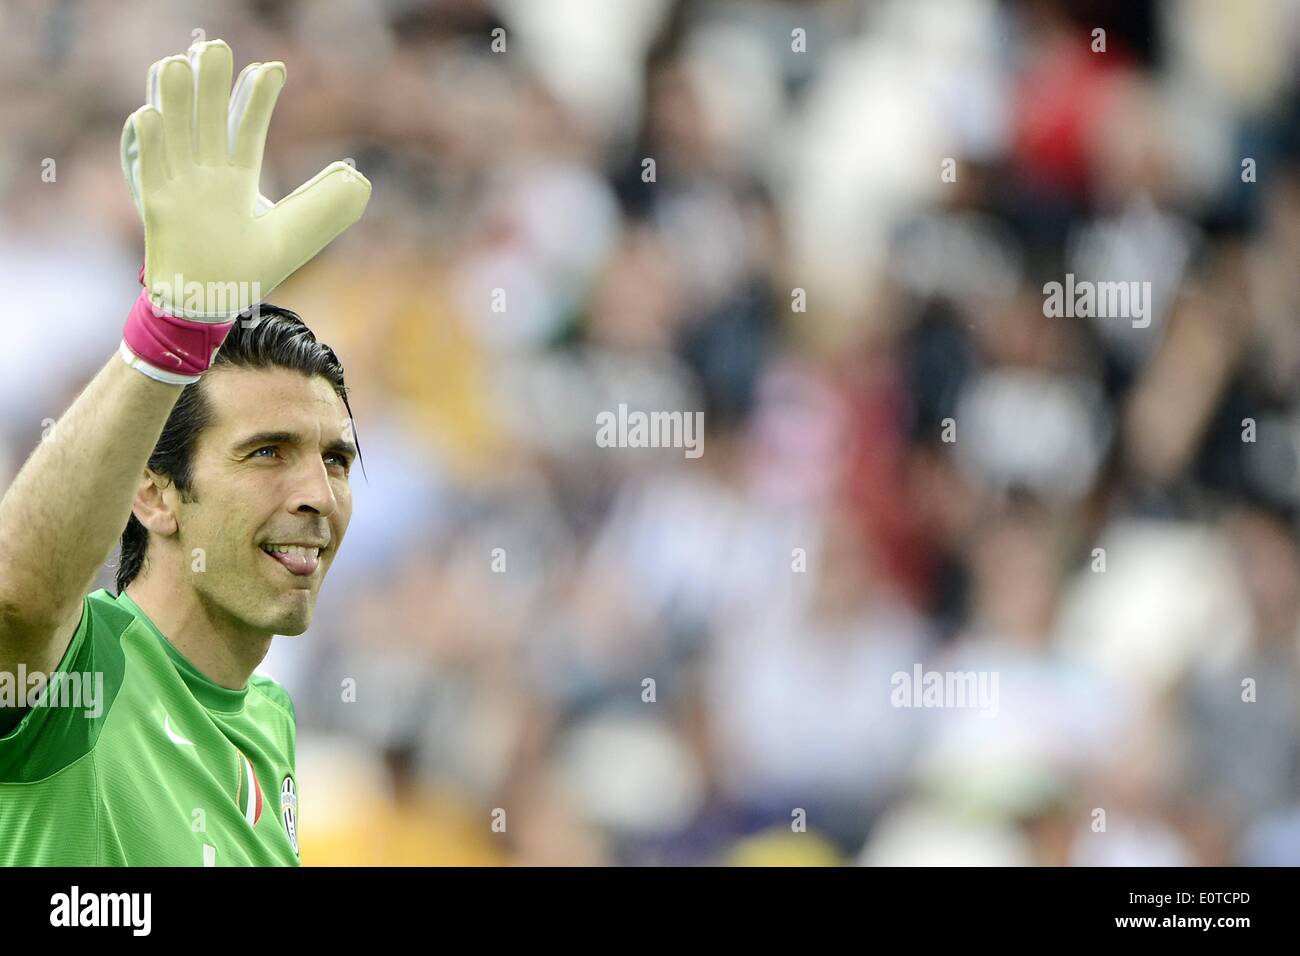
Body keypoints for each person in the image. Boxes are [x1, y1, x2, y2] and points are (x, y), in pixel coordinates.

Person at [0, 39, 370, 865]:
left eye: (336, 459)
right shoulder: (77, 673)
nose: (317, 493)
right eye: (267, 452)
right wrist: (171, 336)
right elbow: (17, 601)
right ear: (155, 494)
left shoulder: (266, 719)